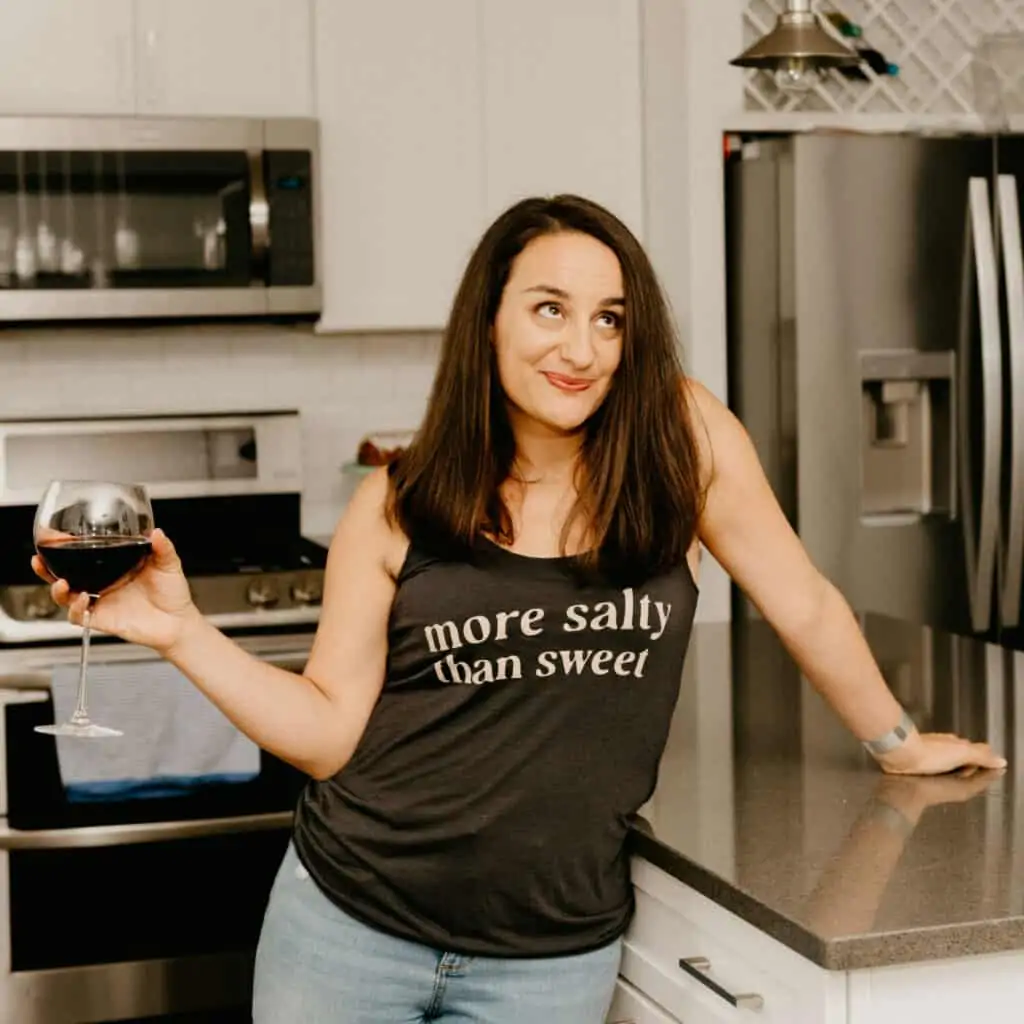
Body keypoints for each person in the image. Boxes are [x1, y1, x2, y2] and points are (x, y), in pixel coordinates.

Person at [34, 195, 1007, 1023]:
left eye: (610, 318)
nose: (580, 347)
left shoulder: (680, 440)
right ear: (489, 319)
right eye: (549, 308)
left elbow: (803, 602)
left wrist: (896, 742)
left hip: (546, 958)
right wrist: (181, 631)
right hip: (347, 929)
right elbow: (330, 733)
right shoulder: (400, 499)